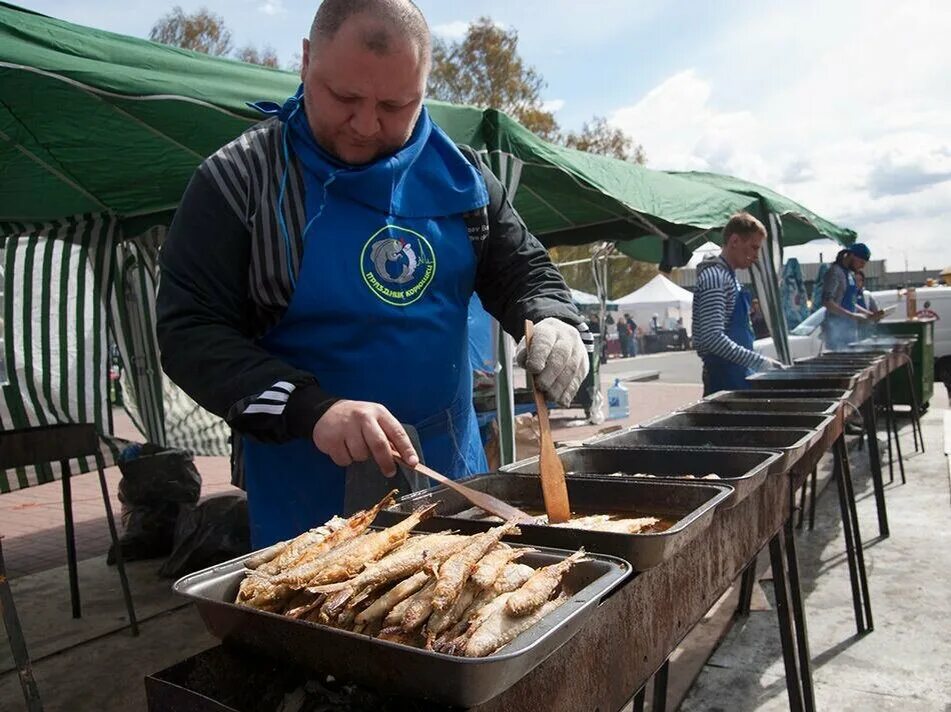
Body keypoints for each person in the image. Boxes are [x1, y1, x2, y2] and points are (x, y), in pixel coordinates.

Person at [156, 0, 590, 547]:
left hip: (452, 480)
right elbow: (189, 331)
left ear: (424, 89)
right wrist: (313, 408)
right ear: (307, 60)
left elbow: (524, 270)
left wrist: (553, 319)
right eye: (344, 98)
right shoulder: (239, 183)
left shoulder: (465, 181)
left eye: (395, 105)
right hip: (308, 499)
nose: (365, 125)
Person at [694, 212, 785, 395]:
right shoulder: (715, 278)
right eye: (753, 247)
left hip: (737, 374)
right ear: (734, 241)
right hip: (723, 378)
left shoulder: (730, 278)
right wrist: (758, 362)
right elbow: (712, 338)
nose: (756, 256)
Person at [821, 244, 883, 350]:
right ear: (851, 256)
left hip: (851, 331)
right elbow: (827, 302)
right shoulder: (835, 272)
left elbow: (852, 302)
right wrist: (851, 316)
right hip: (836, 331)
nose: (862, 266)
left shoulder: (850, 274)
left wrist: (869, 314)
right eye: (861, 262)